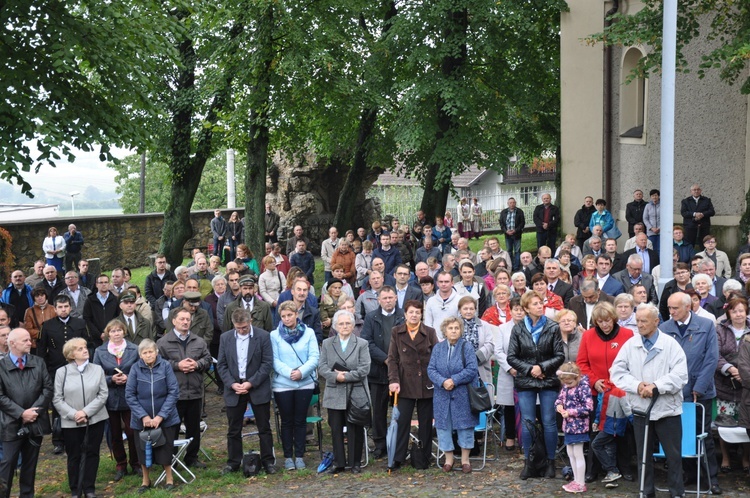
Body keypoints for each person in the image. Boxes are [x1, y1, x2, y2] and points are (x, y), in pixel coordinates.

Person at [610, 303, 689, 498]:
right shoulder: (631, 344)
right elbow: (617, 372)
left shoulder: (671, 345)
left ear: (656, 322)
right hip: (640, 409)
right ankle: (646, 493)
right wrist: (637, 386)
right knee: (643, 456)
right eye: (637, 321)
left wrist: (656, 386)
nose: (639, 325)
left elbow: (680, 375)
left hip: (667, 410)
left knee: (673, 456)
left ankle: (677, 493)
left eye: (644, 321)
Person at [660, 292, 722, 495]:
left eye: (675, 308)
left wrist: (699, 387)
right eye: (669, 308)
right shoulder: (665, 328)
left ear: (688, 307)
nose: (671, 312)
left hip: (699, 392)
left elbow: (711, 358)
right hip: (675, 392)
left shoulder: (705, 325)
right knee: (679, 436)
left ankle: (711, 478)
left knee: (704, 437)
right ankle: (687, 475)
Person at [507, 291, 564, 479]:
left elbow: (559, 355)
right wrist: (531, 369)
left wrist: (542, 367)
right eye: (535, 304)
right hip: (525, 380)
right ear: (526, 308)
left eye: (541, 303)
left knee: (548, 421)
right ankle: (529, 462)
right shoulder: (518, 329)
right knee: (528, 421)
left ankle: (550, 462)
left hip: (548, 380)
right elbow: (511, 357)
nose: (540, 306)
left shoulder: (553, 326)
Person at [216, 308, 276, 475]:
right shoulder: (225, 338)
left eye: (244, 327)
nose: (241, 330)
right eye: (238, 328)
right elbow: (221, 365)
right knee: (233, 429)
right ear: (233, 324)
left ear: (250, 322)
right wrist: (231, 384)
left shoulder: (263, 336)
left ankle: (268, 461)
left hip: (257, 386)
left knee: (264, 427)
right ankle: (233, 462)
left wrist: (251, 383)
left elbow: (267, 363)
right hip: (234, 387)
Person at [0, 328, 53, 498]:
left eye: (30, 340)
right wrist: (22, 413)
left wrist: (34, 412)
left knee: (30, 466)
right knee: (7, 465)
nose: (30, 343)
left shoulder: (38, 362)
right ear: (12, 343)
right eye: (25, 340)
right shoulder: (1, 367)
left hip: (35, 423)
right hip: (10, 424)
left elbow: (48, 389)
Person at [52, 337, 108, 498]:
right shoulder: (61, 372)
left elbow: (103, 394)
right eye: (79, 349)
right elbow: (57, 398)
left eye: (85, 347)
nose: (85, 350)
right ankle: (75, 489)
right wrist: (74, 414)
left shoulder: (97, 369)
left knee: (92, 453)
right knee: (74, 455)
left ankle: (89, 488)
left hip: (95, 420)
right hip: (71, 422)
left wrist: (86, 412)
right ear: (71, 354)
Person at [385, 299, 437, 470]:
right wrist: (393, 380)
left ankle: (424, 456)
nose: (414, 315)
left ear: (422, 314)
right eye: (411, 312)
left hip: (426, 383)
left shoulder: (429, 332)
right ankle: (398, 457)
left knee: (425, 423)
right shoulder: (396, 332)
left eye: (417, 312)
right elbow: (392, 359)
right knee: (401, 421)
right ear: (405, 314)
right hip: (404, 383)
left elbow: (436, 357)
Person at [157, 308, 212, 469]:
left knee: (194, 428)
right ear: (174, 321)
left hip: (195, 391)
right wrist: (177, 365)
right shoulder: (163, 342)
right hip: (174, 394)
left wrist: (197, 364)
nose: (185, 322)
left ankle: (192, 458)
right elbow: (158, 363)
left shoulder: (199, 341)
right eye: (182, 319)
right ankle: (171, 459)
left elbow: (208, 359)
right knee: (172, 429)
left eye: (188, 319)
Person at [318, 310, 371, 474]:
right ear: (335, 326)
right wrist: (335, 376)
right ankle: (339, 462)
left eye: (348, 323)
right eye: (341, 323)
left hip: (356, 392)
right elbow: (322, 367)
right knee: (335, 428)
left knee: (354, 428)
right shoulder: (327, 344)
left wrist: (346, 377)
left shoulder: (362, 343)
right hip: (335, 391)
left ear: (353, 325)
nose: (344, 326)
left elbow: (364, 369)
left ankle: (355, 462)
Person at [125, 339, 180, 492]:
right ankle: (145, 481)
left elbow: (173, 392)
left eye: (151, 352)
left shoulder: (166, 366)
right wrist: (144, 417)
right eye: (145, 352)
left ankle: (169, 479)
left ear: (156, 352)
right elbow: (130, 395)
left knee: (166, 449)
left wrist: (160, 417)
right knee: (142, 450)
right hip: (141, 419)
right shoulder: (135, 369)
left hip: (166, 417)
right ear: (140, 355)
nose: (148, 355)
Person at [270, 301, 320, 470]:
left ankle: (299, 455)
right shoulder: (274, 335)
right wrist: (290, 372)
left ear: (296, 314)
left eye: (289, 315)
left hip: (304, 383)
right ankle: (287, 456)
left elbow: (314, 357)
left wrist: (301, 372)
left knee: (300, 420)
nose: (286, 319)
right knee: (286, 421)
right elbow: (274, 360)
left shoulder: (309, 333)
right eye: (283, 316)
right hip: (283, 384)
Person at [428, 316, 480, 473]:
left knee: (465, 427)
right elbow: (431, 369)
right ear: (445, 330)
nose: (453, 331)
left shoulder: (467, 347)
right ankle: (448, 459)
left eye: (456, 328)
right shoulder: (438, 348)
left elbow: (472, 369)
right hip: (442, 395)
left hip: (462, 394)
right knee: (443, 427)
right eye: (450, 328)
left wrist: (454, 380)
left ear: (461, 330)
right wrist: (443, 381)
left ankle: (465, 460)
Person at [92, 320, 140, 482]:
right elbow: (95, 375)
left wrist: (130, 377)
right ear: (108, 334)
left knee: (133, 431)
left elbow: (140, 369)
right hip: (110, 397)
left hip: (130, 396)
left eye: (119, 330)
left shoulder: (134, 349)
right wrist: (111, 379)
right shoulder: (100, 351)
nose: (116, 333)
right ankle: (121, 464)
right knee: (114, 434)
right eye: (112, 331)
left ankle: (136, 463)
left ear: (124, 332)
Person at [714, 297, 750, 472]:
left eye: (741, 310)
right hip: (724, 384)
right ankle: (726, 458)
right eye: (735, 311)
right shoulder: (720, 329)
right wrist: (730, 369)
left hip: (747, 386)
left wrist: (744, 373)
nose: (738, 314)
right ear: (729, 312)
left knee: (746, 424)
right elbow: (715, 354)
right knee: (724, 424)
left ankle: (745, 458)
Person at [555, 362, 593, 494]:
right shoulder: (565, 387)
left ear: (577, 378)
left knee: (578, 453)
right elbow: (559, 399)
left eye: (570, 382)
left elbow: (588, 407)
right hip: (568, 427)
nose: (567, 385)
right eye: (565, 383)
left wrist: (570, 412)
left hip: (579, 427)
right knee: (570, 453)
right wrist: (559, 406)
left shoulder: (583, 388)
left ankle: (581, 482)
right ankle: (576, 480)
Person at [457, 296, 496, 394]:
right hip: (460, 369)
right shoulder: (454, 325)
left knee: (481, 400)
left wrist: (474, 358)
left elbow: (490, 344)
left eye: (471, 308)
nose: (468, 311)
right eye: (465, 309)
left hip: (480, 367)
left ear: (475, 310)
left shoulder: (484, 325)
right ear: (460, 310)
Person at [83, 274, 119, 349]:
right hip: (96, 339)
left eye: (106, 282)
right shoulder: (90, 300)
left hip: (113, 336)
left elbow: (118, 317)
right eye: (101, 282)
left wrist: (110, 333)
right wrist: (99, 334)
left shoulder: (115, 300)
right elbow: (87, 318)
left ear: (109, 284)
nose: (103, 284)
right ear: (96, 285)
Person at [424, 272, 460, 338]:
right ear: (437, 283)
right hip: (435, 341)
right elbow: (428, 324)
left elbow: (461, 323)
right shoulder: (431, 301)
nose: (443, 284)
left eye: (446, 282)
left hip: (454, 340)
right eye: (441, 282)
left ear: (452, 283)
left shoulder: (460, 300)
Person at [680, 184, 715, 249]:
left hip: (704, 226)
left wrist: (702, 214)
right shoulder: (685, 201)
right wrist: (695, 214)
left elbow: (712, 212)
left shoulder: (706, 200)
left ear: (700, 191)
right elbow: (683, 213)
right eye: (694, 190)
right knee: (689, 245)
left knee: (705, 244)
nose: (696, 191)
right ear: (691, 191)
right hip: (690, 227)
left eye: (698, 189)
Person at [499, 197, 525, 271]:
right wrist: (505, 231)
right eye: (510, 203)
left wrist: (515, 230)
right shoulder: (504, 212)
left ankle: (516, 267)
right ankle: (510, 266)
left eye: (513, 202)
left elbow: (522, 223)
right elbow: (501, 223)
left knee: (517, 251)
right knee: (509, 251)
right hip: (507, 235)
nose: (512, 204)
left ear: (515, 203)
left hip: (517, 235)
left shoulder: (519, 211)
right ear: (508, 204)